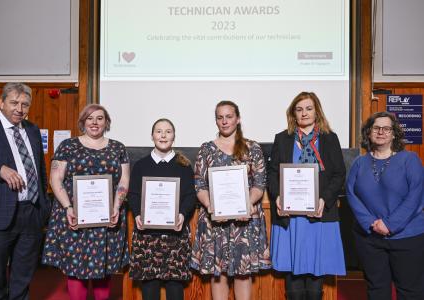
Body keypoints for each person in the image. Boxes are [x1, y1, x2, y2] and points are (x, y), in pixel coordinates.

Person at [42, 104, 130, 300]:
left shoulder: (118, 147)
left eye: (100, 118)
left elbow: (124, 180)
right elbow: (55, 179)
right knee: (75, 268)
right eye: (90, 118)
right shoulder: (68, 146)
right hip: (74, 216)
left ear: (106, 122)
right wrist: (68, 207)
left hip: (107, 218)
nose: (95, 122)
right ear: (83, 122)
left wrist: (116, 207)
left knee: (103, 268)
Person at [0, 82, 50, 299]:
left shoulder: (33, 130)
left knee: (23, 277)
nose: (20, 109)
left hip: (32, 213)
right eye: (14, 103)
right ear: (1, 102)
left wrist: (43, 205)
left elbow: (40, 169)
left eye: (25, 104)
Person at [267, 92, 346, 300]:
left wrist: (324, 199)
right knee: (293, 275)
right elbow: (272, 173)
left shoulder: (329, 138)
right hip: (290, 217)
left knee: (314, 275)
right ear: (293, 113)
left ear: (317, 111)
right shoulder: (282, 139)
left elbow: (339, 174)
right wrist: (276, 196)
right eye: (299, 109)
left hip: (319, 215)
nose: (304, 113)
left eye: (309, 108)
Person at [191, 101, 271, 300]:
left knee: (243, 273)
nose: (224, 121)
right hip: (214, 221)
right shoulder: (206, 149)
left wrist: (247, 204)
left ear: (238, 119)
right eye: (220, 117)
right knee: (218, 275)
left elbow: (259, 184)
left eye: (229, 116)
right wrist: (211, 206)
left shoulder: (252, 148)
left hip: (244, 220)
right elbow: (200, 184)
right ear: (216, 121)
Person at [346, 111, 424, 300]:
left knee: (410, 291)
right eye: (376, 128)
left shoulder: (410, 160)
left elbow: (416, 196)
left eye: (386, 128)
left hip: (407, 237)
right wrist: (372, 223)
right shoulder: (359, 163)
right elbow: (351, 194)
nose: (381, 132)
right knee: (376, 290)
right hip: (369, 238)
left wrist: (389, 224)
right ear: (369, 132)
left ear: (394, 133)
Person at [127, 118, 197, 300]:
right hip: (146, 234)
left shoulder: (184, 165)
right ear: (152, 136)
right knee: (149, 284)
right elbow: (133, 194)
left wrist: (182, 214)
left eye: (168, 131)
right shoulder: (141, 165)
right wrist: (137, 214)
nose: (163, 135)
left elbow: (191, 195)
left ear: (174, 136)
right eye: (159, 131)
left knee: (175, 284)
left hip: (176, 232)